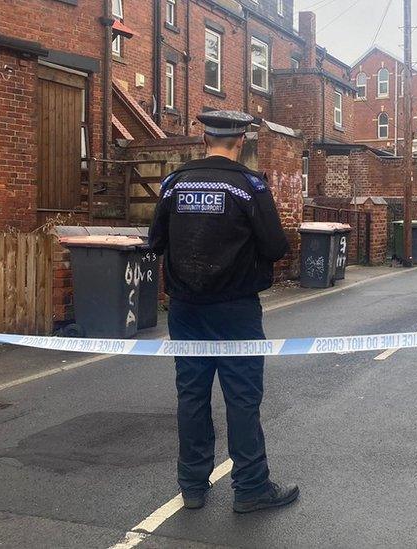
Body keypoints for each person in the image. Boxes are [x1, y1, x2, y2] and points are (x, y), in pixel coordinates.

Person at [149, 110, 298, 514]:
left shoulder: (174, 183)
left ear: (205, 140)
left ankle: (193, 485)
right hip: (235, 311)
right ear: (241, 142)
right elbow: (275, 247)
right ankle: (250, 488)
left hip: (186, 310)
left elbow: (155, 239)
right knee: (242, 398)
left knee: (192, 395)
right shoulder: (249, 186)